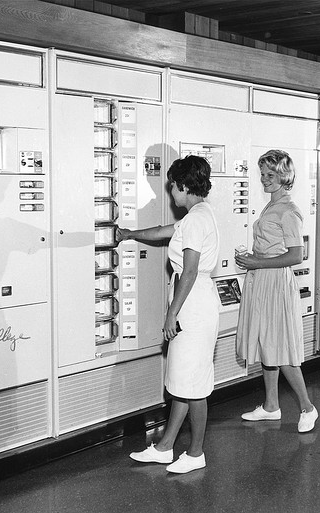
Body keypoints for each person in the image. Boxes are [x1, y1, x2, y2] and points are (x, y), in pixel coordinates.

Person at [119, 154, 220, 474]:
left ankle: (196, 452)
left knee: (195, 385)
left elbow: (188, 272)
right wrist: (130, 234)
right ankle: (165, 448)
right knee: (184, 381)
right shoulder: (201, 214)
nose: (171, 194)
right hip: (198, 301)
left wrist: (169, 315)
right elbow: (165, 231)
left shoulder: (194, 220)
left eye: (173, 188)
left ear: (185, 186)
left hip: (191, 303)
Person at [235, 149, 318, 433]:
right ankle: (271, 405)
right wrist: (252, 259)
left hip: (275, 283)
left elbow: (297, 255)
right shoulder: (271, 206)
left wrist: (257, 261)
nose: (265, 180)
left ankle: (308, 407)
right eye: (263, 174)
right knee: (265, 343)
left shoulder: (289, 210)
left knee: (280, 348)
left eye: (271, 175)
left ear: (285, 177)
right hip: (261, 280)